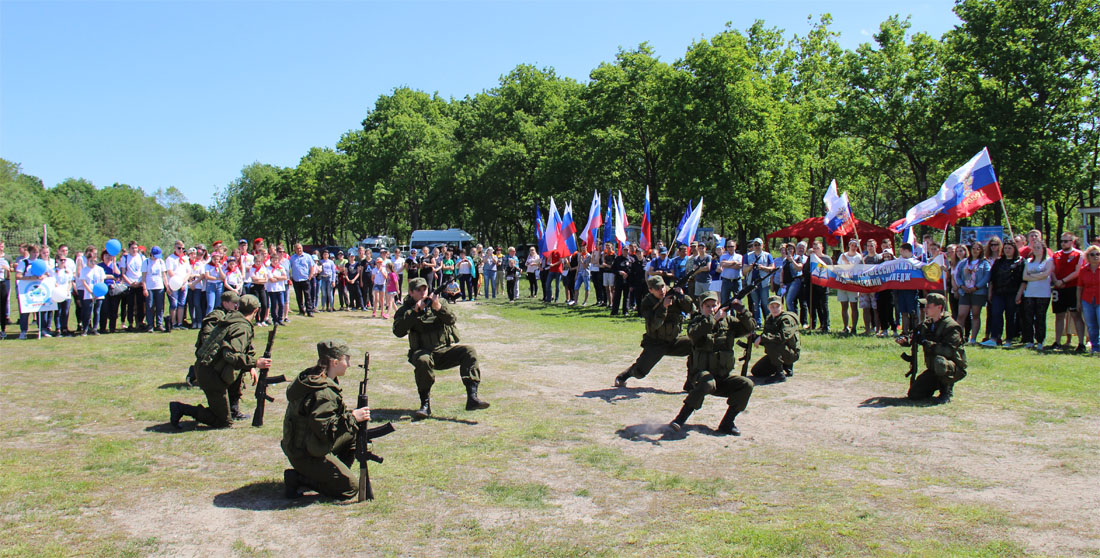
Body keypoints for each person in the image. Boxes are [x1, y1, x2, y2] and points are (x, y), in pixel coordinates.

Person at [281, 340, 372, 500]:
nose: (349, 364)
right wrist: (353, 417)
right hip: (305, 454)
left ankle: (330, 475)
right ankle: (299, 478)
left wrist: (351, 419)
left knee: (352, 433)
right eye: (346, 359)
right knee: (350, 488)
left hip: (301, 447)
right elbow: (325, 431)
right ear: (335, 362)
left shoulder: (313, 378)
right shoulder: (324, 392)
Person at [392, 277, 490, 419]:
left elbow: (452, 319)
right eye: (418, 290)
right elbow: (398, 332)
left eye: (424, 289)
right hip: (422, 352)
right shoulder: (405, 310)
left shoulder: (439, 302)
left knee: (469, 351)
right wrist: (414, 312)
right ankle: (425, 404)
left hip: (443, 351)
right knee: (423, 360)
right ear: (411, 292)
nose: (422, 292)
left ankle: (472, 397)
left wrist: (438, 307)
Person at [170, 294, 270, 429]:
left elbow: (242, 349)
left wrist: (250, 366)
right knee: (223, 422)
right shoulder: (241, 326)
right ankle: (181, 408)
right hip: (211, 375)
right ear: (256, 310)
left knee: (239, 372)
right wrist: (255, 363)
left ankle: (231, 410)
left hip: (208, 368)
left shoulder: (232, 318)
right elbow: (231, 355)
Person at [668, 291, 755, 435]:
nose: (712, 309)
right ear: (701, 308)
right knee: (707, 382)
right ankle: (680, 419)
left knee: (747, 384)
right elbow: (693, 334)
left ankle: (727, 423)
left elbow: (750, 327)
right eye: (707, 306)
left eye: (714, 305)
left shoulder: (729, 322)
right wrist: (712, 320)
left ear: (720, 305)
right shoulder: (697, 321)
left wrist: (742, 310)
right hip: (701, 377)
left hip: (722, 377)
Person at [614, 276, 695, 390]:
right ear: (650, 290)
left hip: (673, 340)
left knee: (697, 345)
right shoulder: (647, 302)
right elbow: (654, 325)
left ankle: (690, 382)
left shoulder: (673, 295)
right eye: (657, 288)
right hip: (656, 342)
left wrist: (682, 296)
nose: (661, 290)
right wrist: (663, 307)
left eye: (662, 286)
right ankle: (624, 376)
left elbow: (692, 309)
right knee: (640, 372)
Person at [895, 293, 967, 403]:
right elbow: (914, 335)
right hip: (934, 369)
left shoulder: (951, 327)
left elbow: (948, 351)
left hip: (952, 368)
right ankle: (935, 385)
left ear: (939, 307)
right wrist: (906, 340)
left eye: (928, 306)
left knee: (940, 362)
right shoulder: (928, 324)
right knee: (914, 394)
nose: (925, 309)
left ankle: (946, 391)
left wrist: (927, 344)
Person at [187, 289, 240, 386]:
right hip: (210, 350)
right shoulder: (216, 315)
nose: (236, 305)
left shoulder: (231, 315)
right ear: (225, 303)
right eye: (234, 303)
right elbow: (206, 335)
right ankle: (194, 371)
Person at [750, 295, 801, 382]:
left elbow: (782, 337)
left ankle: (780, 374)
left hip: (791, 353)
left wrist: (762, 338)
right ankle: (784, 366)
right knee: (757, 371)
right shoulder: (770, 318)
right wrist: (754, 337)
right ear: (768, 307)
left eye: (777, 306)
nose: (775, 309)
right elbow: (767, 336)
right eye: (772, 306)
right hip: (779, 352)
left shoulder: (787, 319)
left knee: (771, 343)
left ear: (782, 307)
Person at [1051, 234, 1086, 352]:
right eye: (1062, 241)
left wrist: (1063, 281)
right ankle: (1057, 342)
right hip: (1058, 289)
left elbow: (1078, 271)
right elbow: (1052, 270)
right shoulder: (1056, 254)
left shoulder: (1078, 254)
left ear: (1072, 242)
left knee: (1076, 315)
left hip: (1072, 288)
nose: (1063, 243)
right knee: (1059, 315)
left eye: (1066, 241)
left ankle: (1081, 343)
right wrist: (1056, 281)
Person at [985, 241, 1023, 347]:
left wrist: (1019, 294)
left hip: (1012, 293)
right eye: (1005, 248)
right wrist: (990, 292)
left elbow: (1022, 280)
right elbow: (992, 279)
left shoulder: (1019, 262)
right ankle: (994, 338)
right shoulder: (998, 262)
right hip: (998, 293)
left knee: (1010, 316)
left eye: (1009, 248)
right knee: (996, 314)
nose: (1007, 250)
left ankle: (1009, 340)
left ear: (1014, 249)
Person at [1018, 238, 1053, 350]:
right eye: (1035, 248)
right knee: (1028, 317)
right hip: (1030, 293)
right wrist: (1038, 276)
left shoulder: (1048, 260)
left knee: (1040, 317)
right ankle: (1029, 340)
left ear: (1043, 249)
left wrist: (1032, 276)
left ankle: (1040, 341)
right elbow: (1024, 277)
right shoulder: (1028, 261)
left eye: (1039, 248)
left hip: (1043, 293)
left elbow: (1046, 274)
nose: (1036, 250)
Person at [954, 241, 991, 344]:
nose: (975, 251)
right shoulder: (964, 262)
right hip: (964, 292)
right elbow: (957, 275)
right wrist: (961, 285)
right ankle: (958, 338)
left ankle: (973, 339)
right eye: (973, 248)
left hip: (978, 292)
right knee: (961, 315)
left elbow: (987, 276)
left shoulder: (984, 263)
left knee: (975, 314)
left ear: (981, 250)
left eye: (978, 249)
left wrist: (977, 287)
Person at [744, 238, 775, 326]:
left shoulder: (767, 255)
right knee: (755, 304)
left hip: (763, 282)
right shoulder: (747, 256)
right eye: (755, 245)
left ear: (762, 245)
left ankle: (769, 321)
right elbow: (744, 270)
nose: (757, 247)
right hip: (752, 282)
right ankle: (758, 322)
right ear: (753, 246)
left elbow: (772, 268)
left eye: (759, 245)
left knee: (765, 303)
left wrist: (762, 267)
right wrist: (751, 267)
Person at [836, 239, 863, 334]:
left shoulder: (859, 257)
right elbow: (838, 268)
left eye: (855, 246)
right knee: (844, 306)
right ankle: (845, 326)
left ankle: (854, 327)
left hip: (853, 284)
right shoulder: (842, 255)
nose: (853, 247)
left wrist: (847, 262)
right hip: (842, 283)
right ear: (849, 245)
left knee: (853, 306)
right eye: (852, 245)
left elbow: (855, 269)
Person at [1077, 245, 1100, 354]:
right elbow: (1079, 287)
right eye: (1092, 254)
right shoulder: (1083, 270)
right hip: (1087, 300)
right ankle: (1095, 347)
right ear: (1088, 257)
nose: (1095, 256)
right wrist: (1078, 302)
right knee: (1091, 325)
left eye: (1098, 254)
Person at [141, 246, 169, 332]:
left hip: (159, 287)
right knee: (149, 306)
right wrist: (144, 288)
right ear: (151, 254)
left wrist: (167, 287)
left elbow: (164, 276)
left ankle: (159, 324)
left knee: (160, 306)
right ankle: (150, 325)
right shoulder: (146, 262)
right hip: (149, 287)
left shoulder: (161, 262)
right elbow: (143, 277)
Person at [79, 247, 106, 336]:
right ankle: (85, 329)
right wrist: (91, 292)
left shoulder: (100, 269)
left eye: (95, 261)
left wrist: (98, 293)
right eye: (91, 261)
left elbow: (101, 281)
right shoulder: (84, 270)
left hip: (98, 294)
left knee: (97, 312)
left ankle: (95, 328)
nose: (93, 262)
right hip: (88, 294)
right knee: (88, 312)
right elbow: (84, 282)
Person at [784, 241, 808, 325]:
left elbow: (799, 268)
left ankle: (796, 321)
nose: (790, 250)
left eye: (791, 249)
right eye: (788, 249)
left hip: (796, 281)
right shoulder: (785, 259)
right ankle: (792, 320)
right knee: (791, 302)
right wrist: (781, 282)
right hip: (787, 283)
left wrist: (792, 261)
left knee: (789, 301)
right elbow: (782, 271)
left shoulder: (798, 258)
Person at [289, 244, 315, 317]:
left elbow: (312, 266)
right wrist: (290, 276)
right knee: (299, 296)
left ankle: (309, 311)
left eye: (300, 248)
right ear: (295, 249)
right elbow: (289, 267)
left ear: (302, 248)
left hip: (305, 279)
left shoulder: (307, 256)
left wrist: (310, 275)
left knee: (308, 296)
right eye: (297, 248)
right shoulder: (292, 258)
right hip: (296, 279)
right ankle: (301, 311)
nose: (299, 250)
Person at [719, 239, 743, 306]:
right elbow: (723, 264)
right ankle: (727, 312)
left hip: (736, 281)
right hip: (726, 281)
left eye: (732, 246)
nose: (730, 248)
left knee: (738, 300)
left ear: (735, 247)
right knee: (725, 301)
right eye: (728, 246)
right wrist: (734, 262)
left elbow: (738, 266)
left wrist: (727, 264)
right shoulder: (723, 256)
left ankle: (737, 312)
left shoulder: (739, 256)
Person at [0, 240, 9, 339]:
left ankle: (3, 329)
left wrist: (5, 268)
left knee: (2, 307)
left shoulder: (4, 260)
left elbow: (8, 272)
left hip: (2, 283)